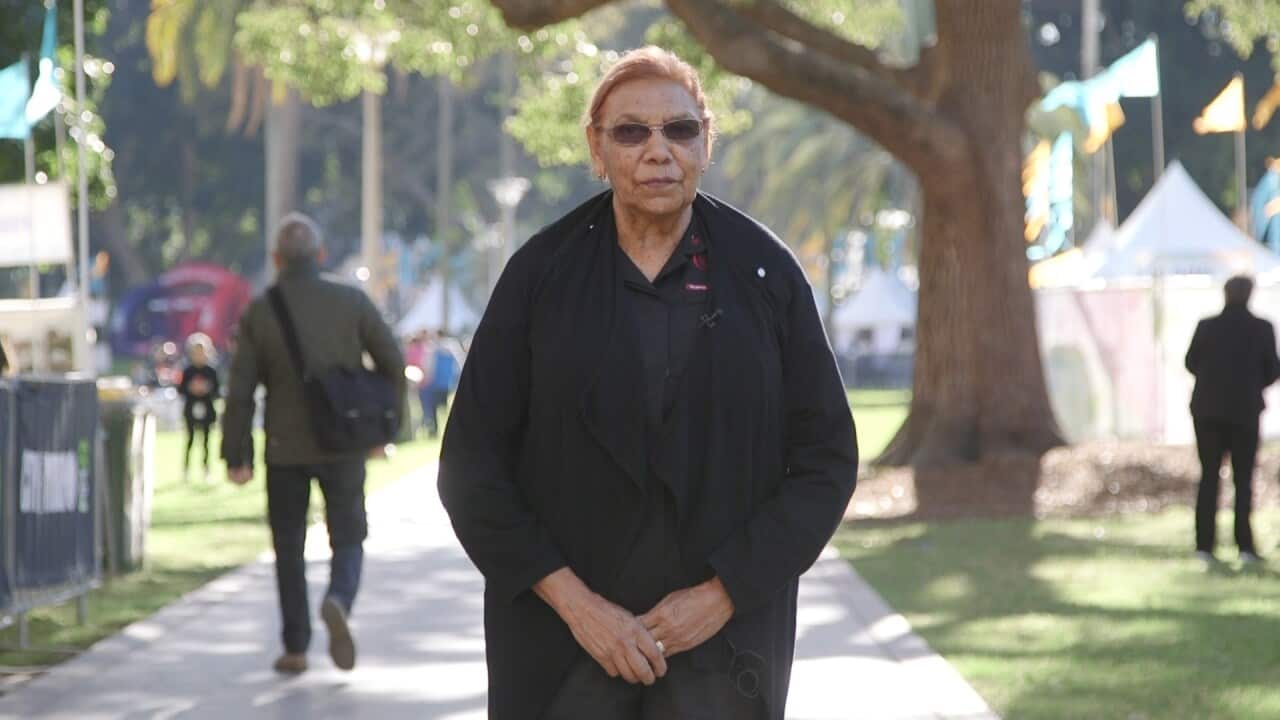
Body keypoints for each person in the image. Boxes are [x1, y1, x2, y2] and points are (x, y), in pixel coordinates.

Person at [438, 47, 858, 720]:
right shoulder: (539, 276)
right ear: (596, 148)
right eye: (631, 131)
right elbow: (471, 466)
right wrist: (579, 607)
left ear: (706, 141)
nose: (657, 150)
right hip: (563, 651)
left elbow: (825, 462)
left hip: (724, 653)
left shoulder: (767, 276)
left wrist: (722, 593)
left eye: (680, 129)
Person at [221, 213, 405, 675]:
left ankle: (296, 647)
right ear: (321, 255)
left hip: (284, 449)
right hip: (342, 443)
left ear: (276, 259)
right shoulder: (351, 301)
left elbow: (240, 390)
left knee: (288, 546)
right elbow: (393, 362)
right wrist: (385, 429)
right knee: (348, 535)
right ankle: (339, 596)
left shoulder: (261, 311)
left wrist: (236, 454)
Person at [1185, 275, 1280, 565]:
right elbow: (1272, 370)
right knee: (1243, 479)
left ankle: (1204, 546)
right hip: (1244, 412)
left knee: (1209, 477)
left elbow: (1191, 362)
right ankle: (1245, 547)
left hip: (1208, 412)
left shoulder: (1208, 326)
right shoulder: (1261, 329)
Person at [178, 333, 220, 482]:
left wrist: (206, 389)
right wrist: (191, 388)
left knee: (206, 441)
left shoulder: (211, 371)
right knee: (189, 440)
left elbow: (217, 392)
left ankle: (206, 469)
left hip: (207, 409)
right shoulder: (187, 371)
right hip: (191, 409)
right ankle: (186, 469)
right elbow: (180, 390)